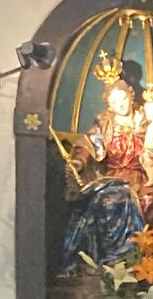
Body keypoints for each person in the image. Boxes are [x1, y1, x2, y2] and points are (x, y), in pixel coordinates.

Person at [62, 76, 147, 274]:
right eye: (114, 102)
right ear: (109, 105)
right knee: (96, 201)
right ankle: (107, 259)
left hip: (139, 176)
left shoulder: (144, 120)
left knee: (115, 199)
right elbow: (88, 145)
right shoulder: (105, 123)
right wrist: (79, 161)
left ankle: (126, 258)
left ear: (131, 96)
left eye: (123, 98)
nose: (121, 105)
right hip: (111, 177)